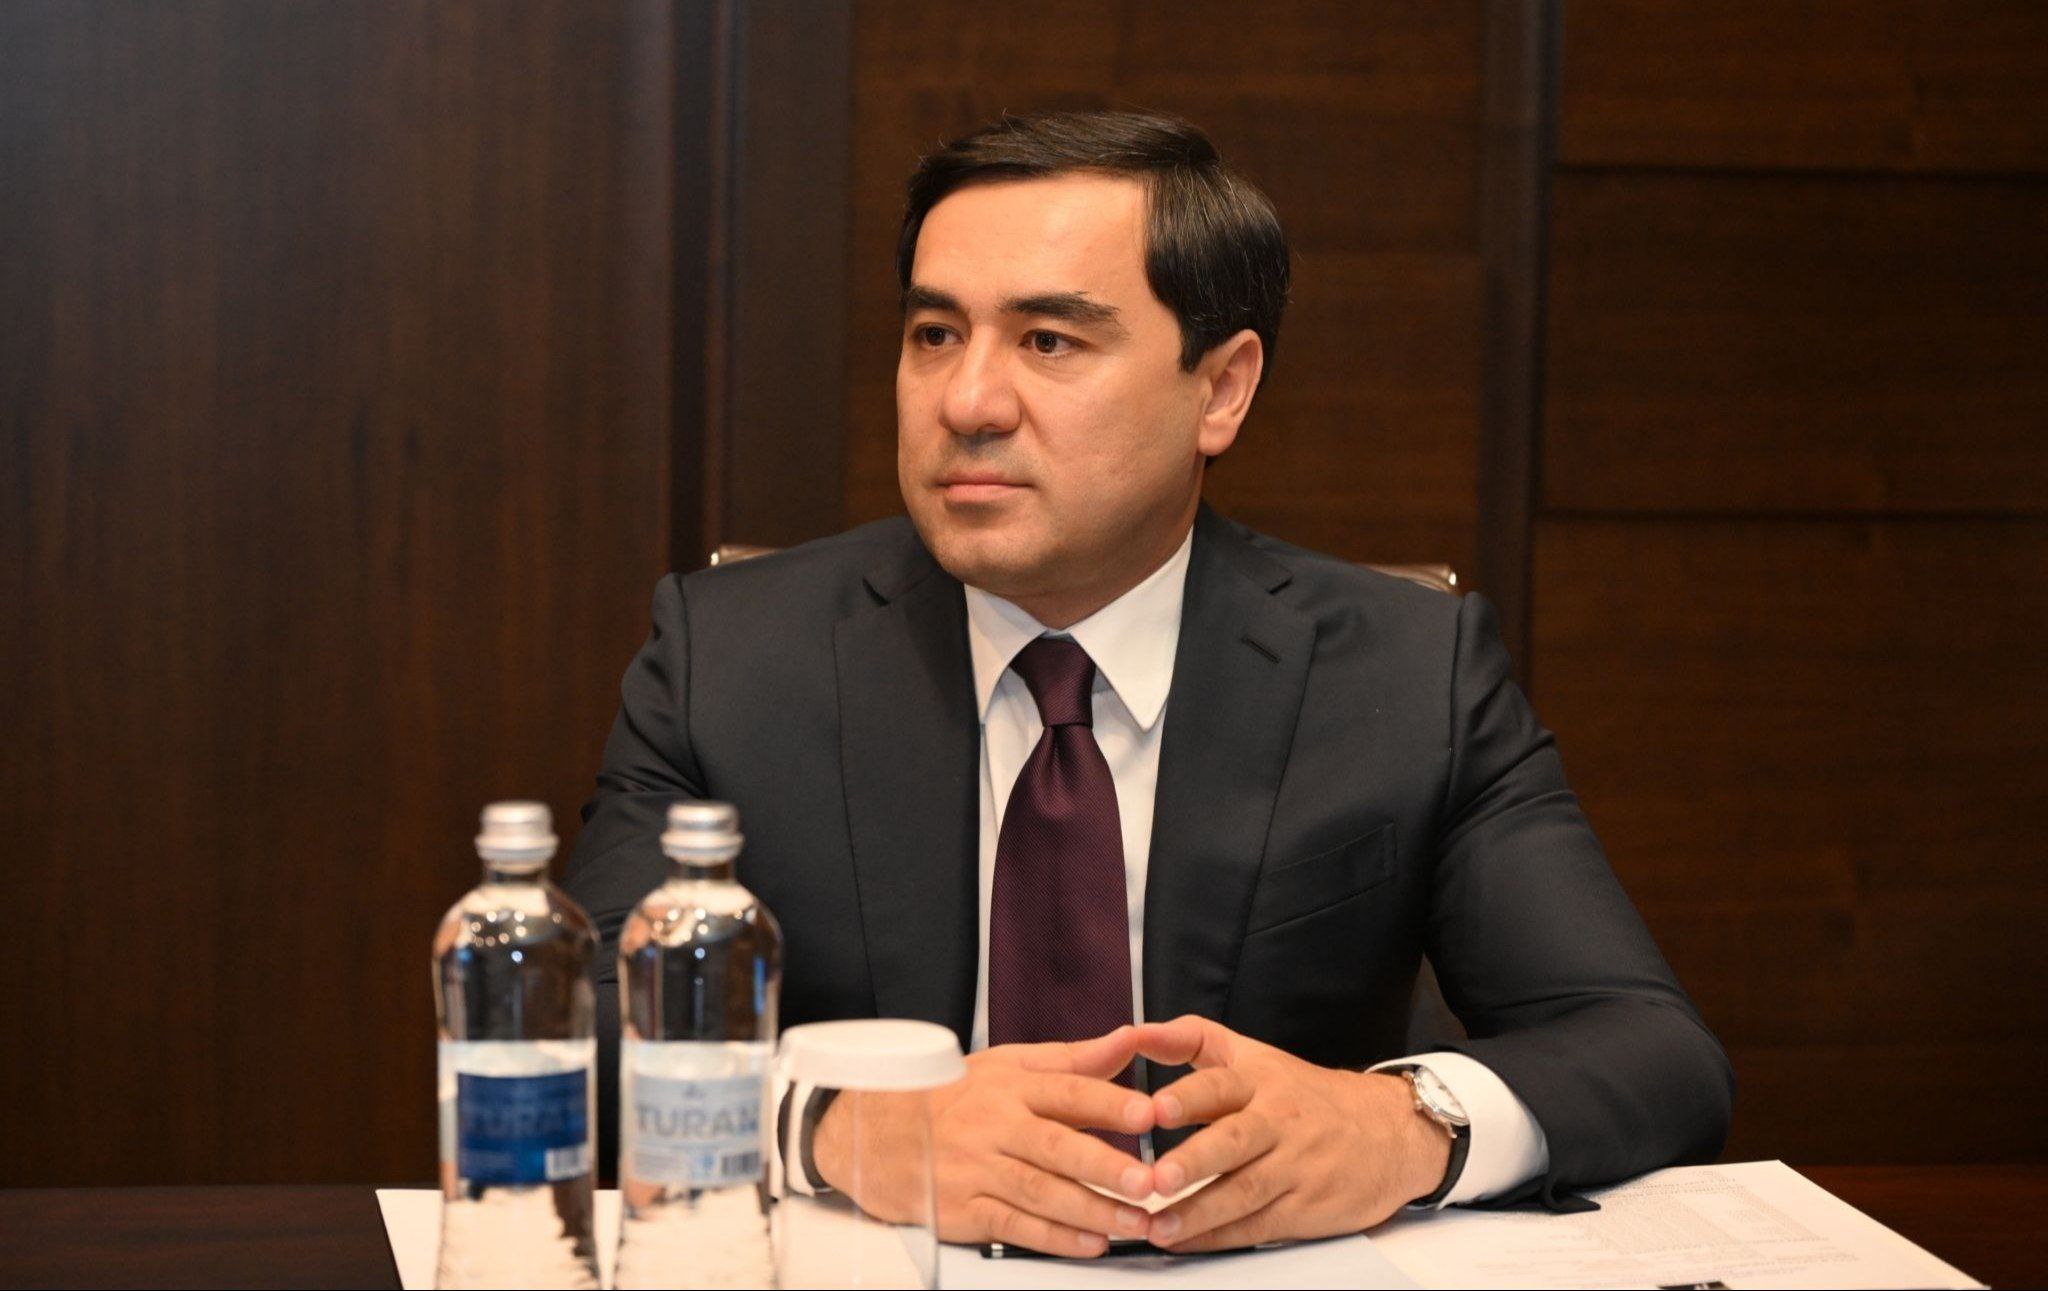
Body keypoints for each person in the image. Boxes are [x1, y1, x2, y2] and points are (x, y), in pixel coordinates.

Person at [563, 109, 1732, 1257]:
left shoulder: (1407, 674)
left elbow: (1645, 1047)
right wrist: (834, 1128)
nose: (966, 401)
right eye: (934, 334)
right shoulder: (730, 659)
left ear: (1219, 390)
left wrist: (1397, 1125)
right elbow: (572, 1028)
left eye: (1047, 341)